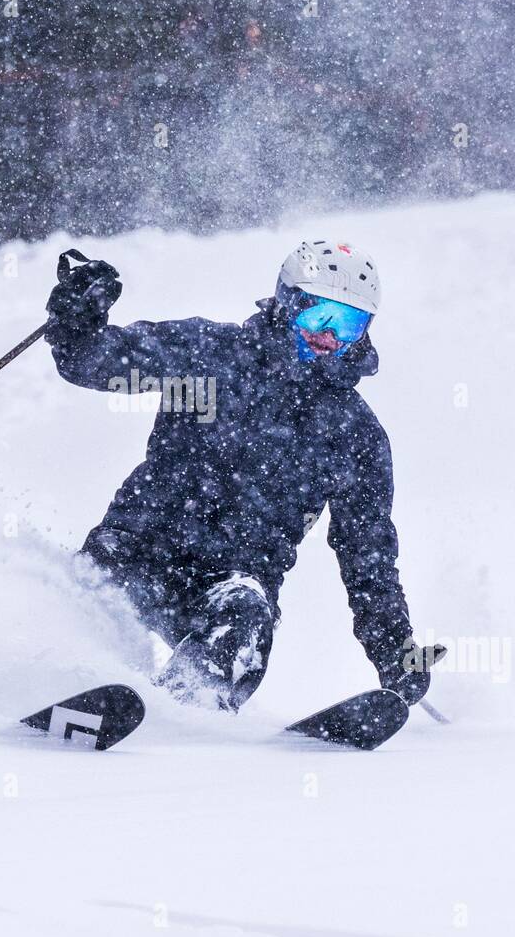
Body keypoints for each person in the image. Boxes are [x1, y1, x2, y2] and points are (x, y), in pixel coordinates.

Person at [45, 240, 442, 712]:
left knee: (245, 624)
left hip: (233, 580)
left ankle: (183, 713)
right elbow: (95, 363)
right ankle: (49, 685)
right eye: (319, 315)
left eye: (349, 324)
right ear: (287, 301)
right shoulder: (208, 354)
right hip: (136, 548)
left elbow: (368, 555)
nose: (329, 335)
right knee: (87, 604)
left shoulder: (354, 433)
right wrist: (77, 320)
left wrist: (395, 651)